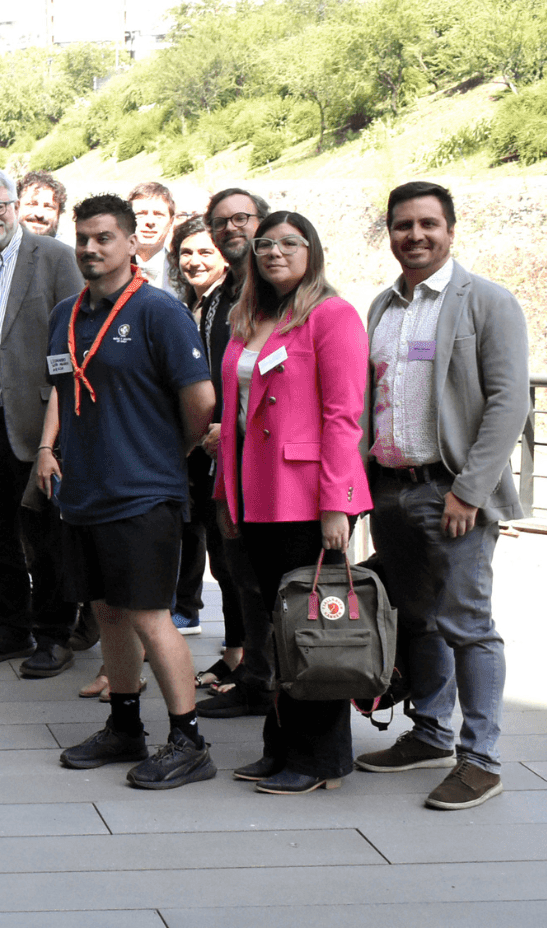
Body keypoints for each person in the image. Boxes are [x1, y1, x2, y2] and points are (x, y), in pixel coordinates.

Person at [356, 180, 530, 812]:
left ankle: (480, 759)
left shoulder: (485, 301)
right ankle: (430, 733)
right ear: (391, 233)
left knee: (468, 625)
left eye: (428, 224)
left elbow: (511, 401)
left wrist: (470, 491)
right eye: (403, 225)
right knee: (417, 619)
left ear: (450, 230)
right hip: (391, 493)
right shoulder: (381, 308)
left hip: (451, 493)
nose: (416, 236)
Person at [40, 194, 216, 790]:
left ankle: (189, 740)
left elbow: (201, 404)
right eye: (83, 238)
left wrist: (172, 452)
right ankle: (124, 726)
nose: (91, 248)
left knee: (148, 615)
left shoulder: (158, 313)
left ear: (131, 242)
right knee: (107, 610)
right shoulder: (66, 314)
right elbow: (64, 389)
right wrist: (49, 450)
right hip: (83, 490)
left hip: (143, 492)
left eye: (104, 238)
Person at [211, 211, 370, 795]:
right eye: (264, 244)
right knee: (272, 632)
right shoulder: (247, 317)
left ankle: (320, 758)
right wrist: (223, 494)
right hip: (252, 496)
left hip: (306, 500)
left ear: (312, 250)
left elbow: (343, 416)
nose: (274, 252)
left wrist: (338, 504)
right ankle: (280, 749)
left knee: (312, 633)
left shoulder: (332, 316)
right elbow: (231, 421)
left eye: (288, 242)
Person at [0, 168, 83, 676]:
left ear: (15, 204)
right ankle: (12, 627)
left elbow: (74, 342)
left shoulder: (54, 258)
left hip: (36, 424)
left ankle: (54, 635)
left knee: (45, 535)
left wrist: (61, 427)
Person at [191, 188, 274, 718]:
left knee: (263, 573)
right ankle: (249, 669)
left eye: (240, 218)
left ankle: (268, 680)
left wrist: (235, 430)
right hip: (214, 454)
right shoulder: (220, 294)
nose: (230, 230)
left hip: (263, 455)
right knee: (229, 564)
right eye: (219, 222)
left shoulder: (281, 292)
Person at [169, 217, 227, 636]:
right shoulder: (188, 305)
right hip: (191, 440)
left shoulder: (229, 306)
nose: (194, 260)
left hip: (220, 440)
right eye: (186, 252)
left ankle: (240, 653)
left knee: (226, 552)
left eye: (205, 251)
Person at [128, 181, 177, 291]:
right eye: (140, 214)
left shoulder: (185, 272)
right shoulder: (109, 269)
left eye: (158, 214)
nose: (150, 222)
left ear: (171, 222)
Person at [18, 171, 67, 238]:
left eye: (48, 207)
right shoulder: (1, 247)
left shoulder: (67, 248)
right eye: (32, 204)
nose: (39, 214)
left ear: (59, 214)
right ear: (15, 208)